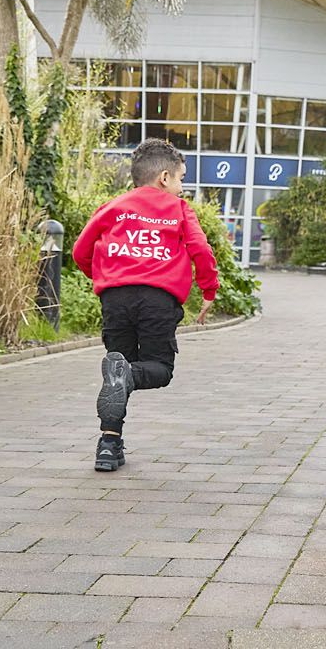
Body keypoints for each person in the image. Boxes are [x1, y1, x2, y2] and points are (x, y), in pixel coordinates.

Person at [71, 139, 219, 473]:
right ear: (164, 178)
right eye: (181, 179)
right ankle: (126, 383)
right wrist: (209, 290)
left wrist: (104, 278)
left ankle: (108, 445)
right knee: (157, 369)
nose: (182, 188)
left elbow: (81, 249)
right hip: (157, 300)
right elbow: (201, 250)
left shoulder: (113, 206)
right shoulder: (180, 210)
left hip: (116, 298)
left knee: (116, 369)